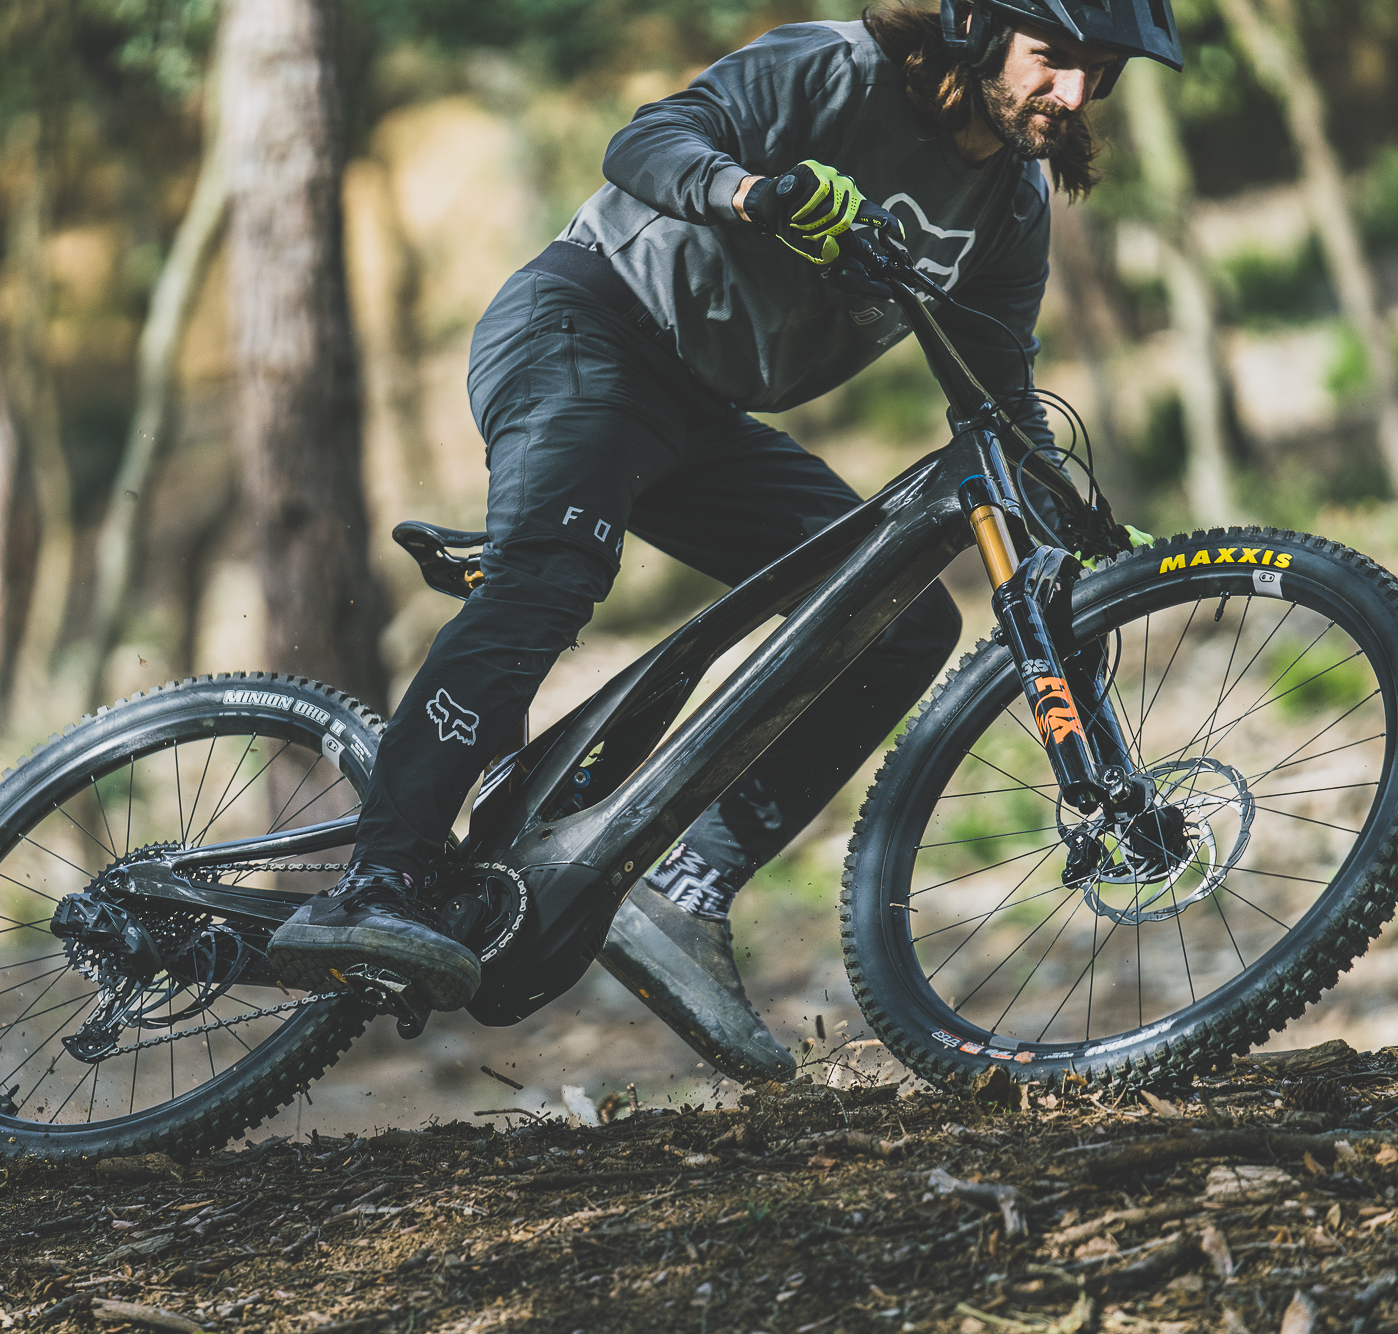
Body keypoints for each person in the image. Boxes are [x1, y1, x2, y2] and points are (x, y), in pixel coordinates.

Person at [270, 0, 1183, 1081]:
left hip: (702, 414)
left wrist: (1071, 520)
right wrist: (755, 194)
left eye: (1099, 73)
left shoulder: (1008, 208)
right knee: (551, 579)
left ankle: (688, 884)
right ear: (976, 28)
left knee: (898, 620)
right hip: (585, 326)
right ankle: (379, 876)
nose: (1073, 95)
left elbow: (996, 397)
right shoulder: (831, 67)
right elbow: (644, 143)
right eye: (1054, 59)